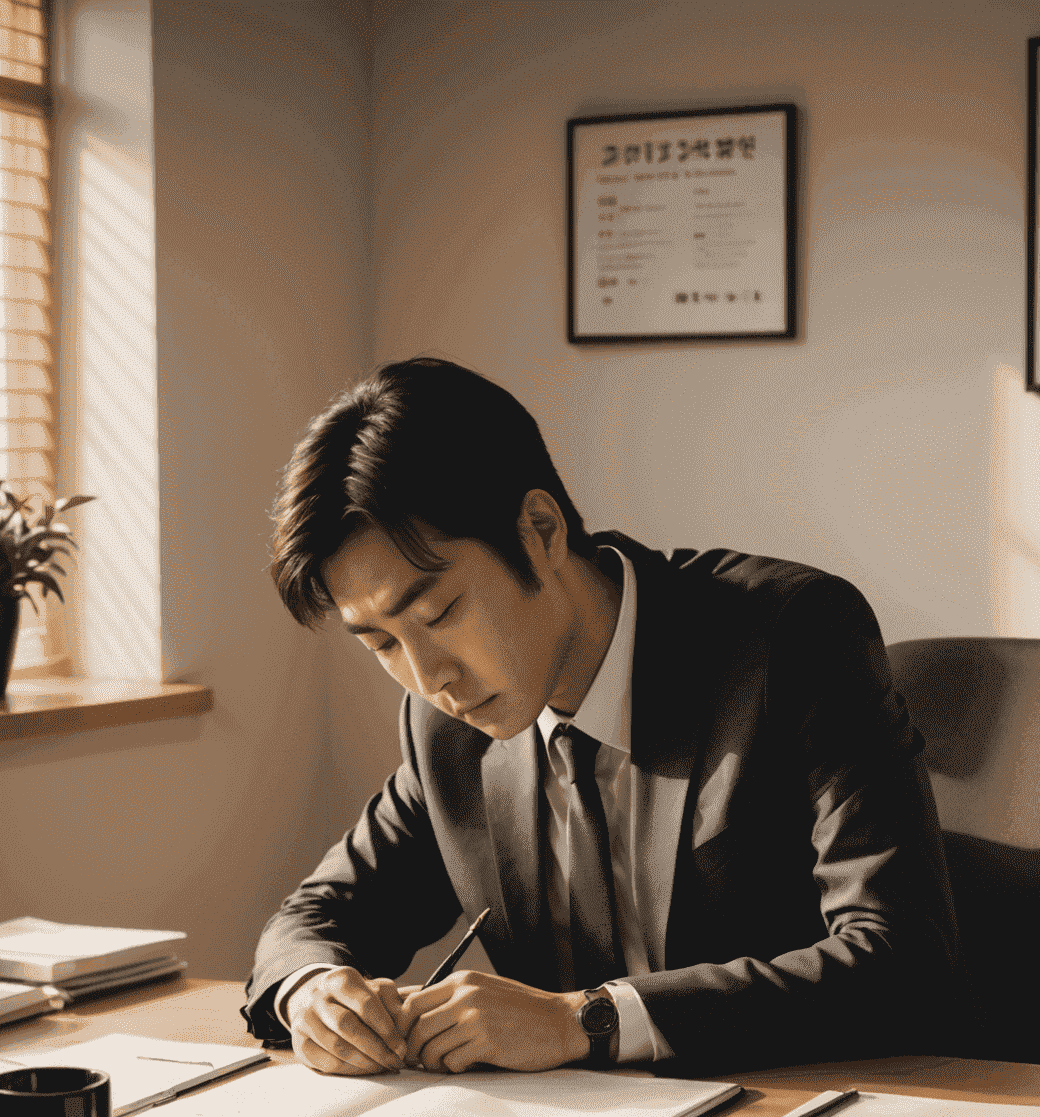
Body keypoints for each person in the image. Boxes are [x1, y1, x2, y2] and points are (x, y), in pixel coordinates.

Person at [243, 357, 961, 1080]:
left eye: (440, 614)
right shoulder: (446, 729)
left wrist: (583, 1020)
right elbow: (313, 920)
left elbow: (901, 957)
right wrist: (313, 992)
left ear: (542, 530)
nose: (429, 678)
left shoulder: (789, 640)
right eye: (382, 643)